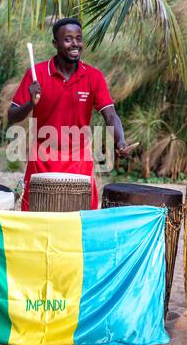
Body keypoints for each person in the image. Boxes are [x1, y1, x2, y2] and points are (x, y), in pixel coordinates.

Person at [8, 18, 131, 210]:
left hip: (79, 160)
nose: (75, 44)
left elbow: (110, 115)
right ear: (55, 44)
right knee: (39, 217)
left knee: (79, 220)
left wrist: (120, 140)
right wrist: (30, 104)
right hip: (42, 159)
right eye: (68, 39)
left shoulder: (93, 76)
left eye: (79, 38)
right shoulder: (37, 73)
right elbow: (12, 116)